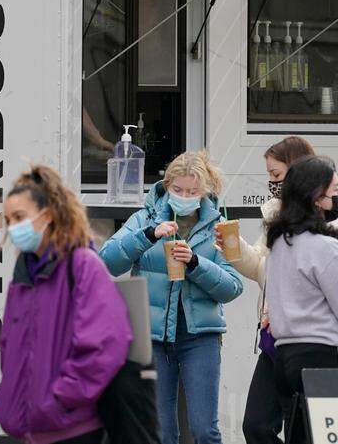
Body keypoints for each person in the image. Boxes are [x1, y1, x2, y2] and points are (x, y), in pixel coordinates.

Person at [100, 150, 243, 444]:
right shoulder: (144, 218)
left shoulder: (220, 226)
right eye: (178, 190)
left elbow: (232, 286)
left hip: (200, 336)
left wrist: (194, 264)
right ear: (166, 185)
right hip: (152, 338)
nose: (184, 196)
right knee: (160, 430)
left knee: (205, 429)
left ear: (204, 192)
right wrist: (148, 235)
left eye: (192, 191)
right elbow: (108, 262)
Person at [230, 137, 338, 444]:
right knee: (257, 425)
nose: (272, 184)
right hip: (276, 336)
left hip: (314, 339)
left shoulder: (334, 221)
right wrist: (232, 249)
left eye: (276, 175)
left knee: (301, 428)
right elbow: (264, 270)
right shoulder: (277, 218)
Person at [0, 164, 132, 444]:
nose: (14, 227)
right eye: (9, 220)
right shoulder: (24, 274)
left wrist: (58, 398)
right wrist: (6, 397)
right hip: (32, 431)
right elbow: (11, 347)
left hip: (73, 431)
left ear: (49, 214)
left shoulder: (83, 265)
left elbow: (106, 344)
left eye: (20, 217)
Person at [265, 156, 338, 444]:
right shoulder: (327, 248)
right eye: (334, 189)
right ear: (316, 196)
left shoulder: (278, 244)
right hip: (327, 354)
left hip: (286, 357)